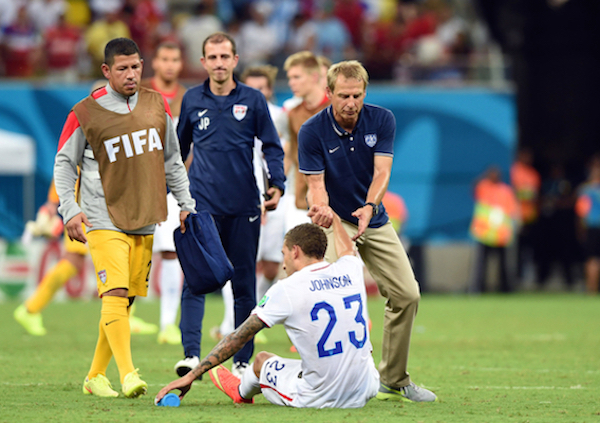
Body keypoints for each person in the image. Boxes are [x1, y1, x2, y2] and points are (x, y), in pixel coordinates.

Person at [53, 37, 195, 398]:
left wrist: (186, 202)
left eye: (135, 67)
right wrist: (69, 208)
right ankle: (129, 373)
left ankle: (95, 375)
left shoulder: (156, 104)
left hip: (145, 215)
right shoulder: (83, 113)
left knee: (124, 300)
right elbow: (64, 163)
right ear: (106, 71)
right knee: (114, 292)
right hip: (103, 216)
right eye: (122, 69)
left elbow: (172, 160)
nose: (131, 74)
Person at [298, 60, 436, 402]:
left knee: (407, 295)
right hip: (334, 219)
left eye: (357, 95)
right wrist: (323, 209)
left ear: (365, 92)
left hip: (372, 216)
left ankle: (393, 378)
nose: (350, 103)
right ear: (329, 94)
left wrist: (371, 206)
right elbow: (316, 184)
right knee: (327, 293)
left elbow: (381, 173)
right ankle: (321, 379)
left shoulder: (382, 119)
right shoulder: (311, 131)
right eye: (343, 95)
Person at [156, 212, 380, 408]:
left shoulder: (287, 288)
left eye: (283, 254)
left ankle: (241, 392)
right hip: (366, 387)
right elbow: (348, 248)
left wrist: (193, 375)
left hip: (321, 396)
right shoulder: (351, 269)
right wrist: (333, 217)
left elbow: (237, 338)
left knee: (262, 359)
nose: (283, 264)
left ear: (295, 252)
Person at [174, 32, 285, 379]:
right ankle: (191, 356)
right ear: (204, 61)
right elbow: (177, 153)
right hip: (202, 207)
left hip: (243, 206)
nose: (219, 63)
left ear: (235, 60)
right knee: (195, 281)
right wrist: (180, 199)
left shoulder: (252, 100)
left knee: (243, 286)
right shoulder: (192, 99)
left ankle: (240, 362)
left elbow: (272, 146)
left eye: (225, 57)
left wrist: (277, 184)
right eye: (213, 57)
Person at [14, 80, 158, 338]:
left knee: (79, 262)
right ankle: (32, 309)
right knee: (109, 261)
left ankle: (31, 309)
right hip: (89, 208)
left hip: (102, 206)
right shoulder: (89, 125)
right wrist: (53, 202)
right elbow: (67, 166)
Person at [140, 41, 187, 345]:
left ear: (181, 64)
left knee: (170, 252)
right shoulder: (140, 92)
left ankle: (167, 322)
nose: (169, 64)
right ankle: (125, 316)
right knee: (136, 252)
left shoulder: (188, 97)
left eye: (175, 59)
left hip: (170, 187)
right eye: (164, 59)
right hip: (138, 186)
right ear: (154, 63)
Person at [284, 51, 330, 230]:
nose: (291, 83)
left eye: (296, 77)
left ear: (314, 76)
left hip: (336, 202)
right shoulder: (294, 114)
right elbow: (292, 152)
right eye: (290, 78)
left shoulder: (336, 110)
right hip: (303, 201)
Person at [469, 166, 519, 293]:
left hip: (500, 234)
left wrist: (512, 229)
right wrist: (483, 176)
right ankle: (478, 288)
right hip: (485, 233)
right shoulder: (484, 187)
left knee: (503, 264)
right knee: (481, 264)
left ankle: (505, 288)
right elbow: (473, 188)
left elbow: (511, 211)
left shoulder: (506, 191)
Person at [575, 159, 600, 293]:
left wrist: (579, 230)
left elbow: (581, 212)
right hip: (593, 227)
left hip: (592, 227)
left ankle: (592, 289)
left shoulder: (585, 190)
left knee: (592, 259)